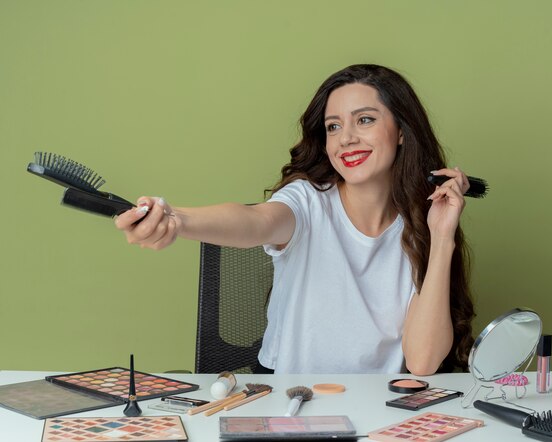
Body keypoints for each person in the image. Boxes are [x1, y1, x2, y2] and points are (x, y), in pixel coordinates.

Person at [115, 64, 475, 375]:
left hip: (378, 405)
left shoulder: (418, 225)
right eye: (333, 127)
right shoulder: (306, 201)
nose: (346, 138)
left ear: (401, 131)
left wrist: (442, 237)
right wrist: (177, 218)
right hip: (289, 396)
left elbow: (423, 362)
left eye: (364, 120)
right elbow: (254, 221)